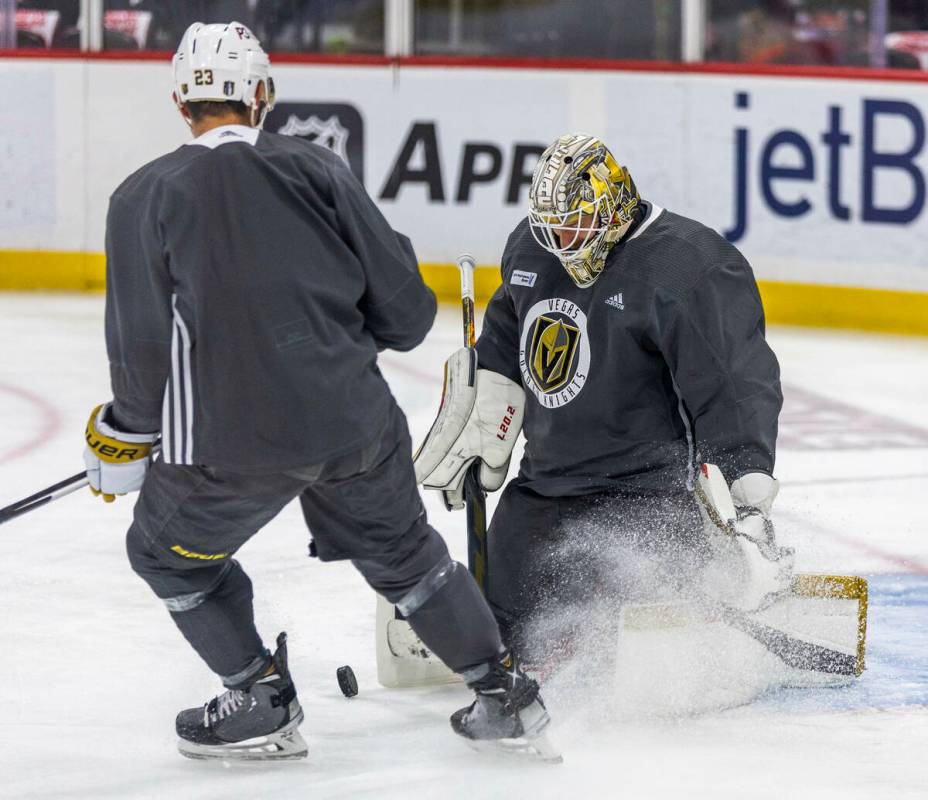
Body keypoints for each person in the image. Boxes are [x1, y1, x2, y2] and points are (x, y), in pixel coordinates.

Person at [82, 21, 552, 761]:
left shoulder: (139, 196)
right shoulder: (319, 169)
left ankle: (260, 697)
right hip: (354, 423)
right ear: (262, 93)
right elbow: (407, 316)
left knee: (164, 554)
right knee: (405, 555)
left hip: (228, 445)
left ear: (181, 102)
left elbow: (142, 352)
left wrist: (124, 433)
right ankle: (503, 693)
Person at [415, 133, 790, 663]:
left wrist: (746, 499)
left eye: (572, 227)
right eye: (550, 231)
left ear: (611, 205)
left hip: (650, 497)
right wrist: (482, 417)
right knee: (498, 637)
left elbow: (733, 387)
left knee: (615, 642)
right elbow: (505, 332)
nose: (561, 243)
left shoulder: (688, 267)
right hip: (545, 486)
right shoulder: (532, 246)